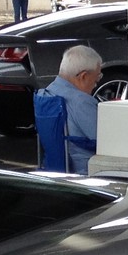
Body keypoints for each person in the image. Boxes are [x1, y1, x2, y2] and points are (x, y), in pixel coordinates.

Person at [44, 44, 102, 175]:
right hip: (85, 171)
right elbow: (106, 142)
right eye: (97, 77)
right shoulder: (81, 101)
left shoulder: (47, 93)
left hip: (55, 168)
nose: (96, 83)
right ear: (83, 76)